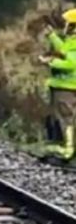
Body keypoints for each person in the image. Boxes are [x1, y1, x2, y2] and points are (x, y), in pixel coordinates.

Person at [39, 9, 76, 163]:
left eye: (68, 24)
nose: (65, 26)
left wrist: (51, 61)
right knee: (65, 116)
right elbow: (64, 50)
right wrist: (52, 36)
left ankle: (68, 151)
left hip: (67, 86)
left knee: (66, 117)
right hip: (65, 85)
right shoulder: (71, 41)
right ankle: (66, 147)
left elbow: (71, 63)